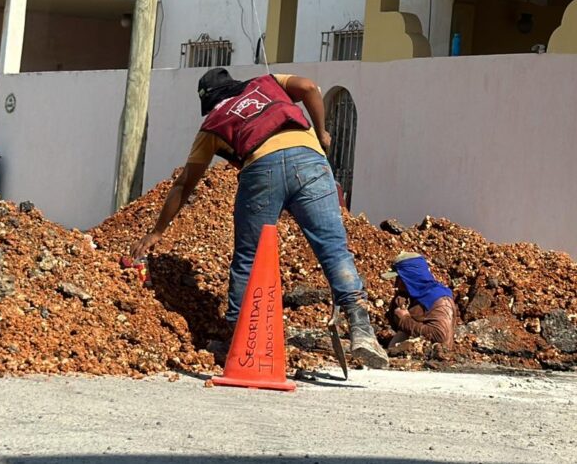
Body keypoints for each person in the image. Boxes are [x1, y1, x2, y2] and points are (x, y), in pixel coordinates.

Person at [131, 68, 387, 368]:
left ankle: (239, 343)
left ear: (210, 101)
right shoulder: (266, 82)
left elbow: (185, 182)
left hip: (261, 169)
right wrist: (321, 133)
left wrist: (158, 230)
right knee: (333, 250)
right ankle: (361, 328)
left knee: (248, 258)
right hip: (310, 163)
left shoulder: (212, 124)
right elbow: (309, 87)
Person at [381, 251, 456, 347]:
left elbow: (440, 336)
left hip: (429, 358)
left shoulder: (439, 300)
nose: (396, 285)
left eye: (400, 279)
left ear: (411, 278)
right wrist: (395, 306)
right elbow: (396, 326)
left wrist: (404, 320)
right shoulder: (414, 294)